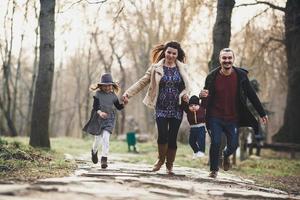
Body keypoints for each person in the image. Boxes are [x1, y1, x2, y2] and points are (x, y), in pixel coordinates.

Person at [122, 41, 190, 175]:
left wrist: (186, 96)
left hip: (177, 107)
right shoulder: (155, 68)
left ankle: (169, 164)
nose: (171, 55)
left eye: (174, 53)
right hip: (161, 107)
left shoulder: (183, 68)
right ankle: (160, 160)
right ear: (165, 52)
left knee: (172, 137)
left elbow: (186, 87)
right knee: (162, 135)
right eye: (169, 52)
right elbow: (142, 82)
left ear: (177, 55)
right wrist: (128, 93)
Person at [200, 48, 268, 178]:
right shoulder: (211, 77)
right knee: (215, 142)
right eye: (224, 58)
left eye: (229, 58)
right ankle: (213, 170)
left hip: (233, 118)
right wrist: (201, 95)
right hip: (215, 116)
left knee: (233, 145)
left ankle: (226, 155)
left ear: (233, 59)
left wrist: (262, 113)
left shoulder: (241, 76)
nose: (227, 61)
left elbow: (251, 95)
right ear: (220, 60)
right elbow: (206, 97)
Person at [83, 73, 124, 169]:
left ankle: (104, 158)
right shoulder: (98, 94)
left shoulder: (113, 95)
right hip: (99, 118)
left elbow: (118, 107)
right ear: (101, 86)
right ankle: (94, 151)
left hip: (110, 118)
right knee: (98, 139)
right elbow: (95, 106)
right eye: (105, 85)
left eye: (109, 85)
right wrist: (100, 112)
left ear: (112, 85)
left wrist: (124, 103)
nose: (107, 87)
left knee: (106, 138)